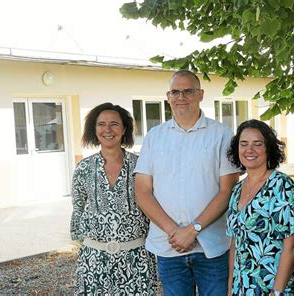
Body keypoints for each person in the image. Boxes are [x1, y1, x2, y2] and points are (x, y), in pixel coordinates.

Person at [134, 70, 240, 296]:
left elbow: (227, 190)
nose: (181, 97)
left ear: (200, 94)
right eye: (175, 92)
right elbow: (142, 191)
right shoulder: (154, 137)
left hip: (212, 247)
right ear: (168, 96)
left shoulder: (221, 134)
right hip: (168, 246)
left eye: (188, 91)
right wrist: (175, 232)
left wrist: (193, 230)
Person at [70, 102, 157, 295]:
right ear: (94, 129)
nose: (107, 130)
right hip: (94, 262)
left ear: (124, 128)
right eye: (101, 124)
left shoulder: (141, 166)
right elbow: (78, 209)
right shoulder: (83, 168)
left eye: (114, 124)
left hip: (137, 261)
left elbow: (153, 209)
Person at [226, 119, 294, 296]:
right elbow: (235, 243)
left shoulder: (281, 186)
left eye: (257, 144)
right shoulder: (237, 190)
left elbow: (292, 243)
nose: (249, 150)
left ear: (268, 148)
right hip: (244, 287)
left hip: (275, 287)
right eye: (244, 144)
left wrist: (277, 291)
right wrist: (231, 287)